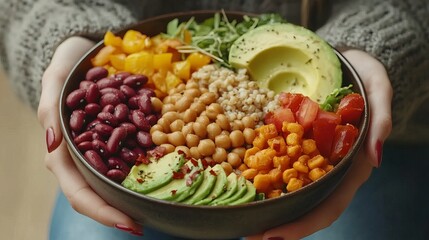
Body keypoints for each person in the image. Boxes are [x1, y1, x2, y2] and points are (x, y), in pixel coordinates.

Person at [1, 0, 428, 239]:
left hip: (397, 141)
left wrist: (380, 43)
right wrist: (63, 31)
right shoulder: (174, 116)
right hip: (130, 182)